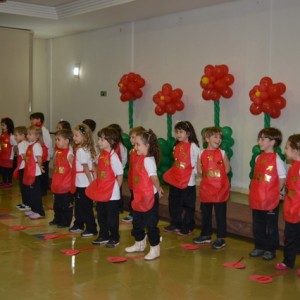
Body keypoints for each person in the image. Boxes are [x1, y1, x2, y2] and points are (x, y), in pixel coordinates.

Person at [125, 129, 163, 261]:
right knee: (137, 222)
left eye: (138, 145)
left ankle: (155, 248)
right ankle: (139, 243)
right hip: (139, 196)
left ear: (147, 146)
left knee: (151, 224)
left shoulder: (148, 160)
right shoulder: (139, 158)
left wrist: (158, 189)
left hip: (149, 198)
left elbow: (154, 178)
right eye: (135, 145)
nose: (135, 147)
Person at [249, 127, 286, 260]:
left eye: (263, 139)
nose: (259, 141)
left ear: (273, 141)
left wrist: (275, 193)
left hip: (270, 200)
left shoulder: (277, 160)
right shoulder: (258, 157)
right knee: (257, 224)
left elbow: (282, 178)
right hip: (257, 198)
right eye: (259, 139)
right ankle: (259, 246)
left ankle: (271, 249)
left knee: (270, 226)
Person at [193, 127, 231, 249]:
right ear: (207, 138)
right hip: (206, 189)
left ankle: (221, 238)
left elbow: (227, 168)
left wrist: (218, 179)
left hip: (220, 189)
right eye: (215, 137)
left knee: (220, 214)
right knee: (206, 213)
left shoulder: (222, 153)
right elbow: (199, 169)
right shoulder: (201, 153)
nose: (219, 139)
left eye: (220, 137)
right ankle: (206, 234)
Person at [86, 127, 123, 248]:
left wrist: (115, 189)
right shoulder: (101, 154)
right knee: (101, 215)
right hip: (101, 191)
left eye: (102, 140)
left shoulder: (114, 157)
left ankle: (114, 237)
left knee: (112, 218)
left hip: (111, 194)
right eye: (99, 139)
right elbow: (96, 166)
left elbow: (120, 175)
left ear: (111, 141)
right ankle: (103, 235)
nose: (99, 142)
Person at [163, 121, 200, 235]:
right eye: (177, 132)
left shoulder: (193, 146)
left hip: (188, 181)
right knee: (174, 202)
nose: (178, 134)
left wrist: (193, 173)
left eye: (181, 132)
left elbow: (199, 161)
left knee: (188, 205)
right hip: (176, 180)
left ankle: (188, 226)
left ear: (188, 133)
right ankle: (176, 223)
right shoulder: (177, 146)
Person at [275, 134, 300, 273]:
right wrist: (284, 194)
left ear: (296, 150)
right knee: (289, 237)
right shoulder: (292, 167)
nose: (285, 151)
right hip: (291, 208)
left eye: (287, 148)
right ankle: (288, 261)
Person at [69, 124, 98, 237]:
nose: (74, 138)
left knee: (85, 207)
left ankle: (91, 228)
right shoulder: (90, 148)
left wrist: (91, 182)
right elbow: (94, 166)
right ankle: (80, 225)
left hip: (83, 183)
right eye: (74, 135)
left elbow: (86, 167)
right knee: (81, 206)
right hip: (83, 182)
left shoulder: (81, 150)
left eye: (76, 136)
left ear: (84, 136)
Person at [50, 129, 74, 228]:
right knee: (57, 205)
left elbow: (74, 169)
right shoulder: (57, 152)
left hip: (66, 186)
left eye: (58, 139)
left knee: (66, 206)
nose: (56, 141)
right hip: (57, 185)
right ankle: (57, 219)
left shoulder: (69, 154)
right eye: (56, 139)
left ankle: (65, 221)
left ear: (67, 141)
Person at [122, 126, 145, 223]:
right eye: (130, 137)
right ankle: (133, 213)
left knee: (138, 198)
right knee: (133, 197)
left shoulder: (142, 153)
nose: (131, 139)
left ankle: (136, 214)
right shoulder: (132, 151)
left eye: (133, 137)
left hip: (140, 181)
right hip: (133, 179)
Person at [23, 125, 45, 219]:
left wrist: (40, 167)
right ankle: (33, 209)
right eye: (27, 134)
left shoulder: (37, 145)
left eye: (30, 134)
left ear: (37, 136)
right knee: (30, 193)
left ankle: (40, 212)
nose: (28, 136)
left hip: (35, 173)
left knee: (35, 193)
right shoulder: (30, 145)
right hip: (29, 171)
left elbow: (39, 158)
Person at [30, 112, 53, 195]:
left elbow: (48, 144)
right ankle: (39, 190)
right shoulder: (36, 130)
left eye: (33, 119)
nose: (31, 121)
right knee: (39, 174)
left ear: (39, 120)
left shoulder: (44, 130)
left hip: (44, 156)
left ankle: (43, 191)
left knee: (43, 174)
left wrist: (48, 155)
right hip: (38, 156)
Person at [108, 124, 128, 213]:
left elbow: (124, 159)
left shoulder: (121, 146)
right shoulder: (108, 146)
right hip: (108, 173)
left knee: (117, 190)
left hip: (116, 173)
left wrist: (119, 169)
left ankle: (119, 207)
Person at [13, 126, 29, 211]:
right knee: (25, 186)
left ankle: (26, 203)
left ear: (23, 135)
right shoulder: (26, 143)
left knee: (23, 187)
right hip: (25, 167)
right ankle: (26, 202)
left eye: (17, 135)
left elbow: (24, 156)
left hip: (23, 167)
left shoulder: (21, 144)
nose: (15, 137)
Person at [0, 117, 17, 188]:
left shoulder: (12, 136)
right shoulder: (2, 135)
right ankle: (4, 182)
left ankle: (9, 182)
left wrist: (11, 157)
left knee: (8, 170)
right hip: (2, 156)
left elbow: (14, 146)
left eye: (3, 125)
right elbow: (1, 145)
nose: (2, 127)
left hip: (8, 157)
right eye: (1, 125)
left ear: (8, 126)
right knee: (3, 169)